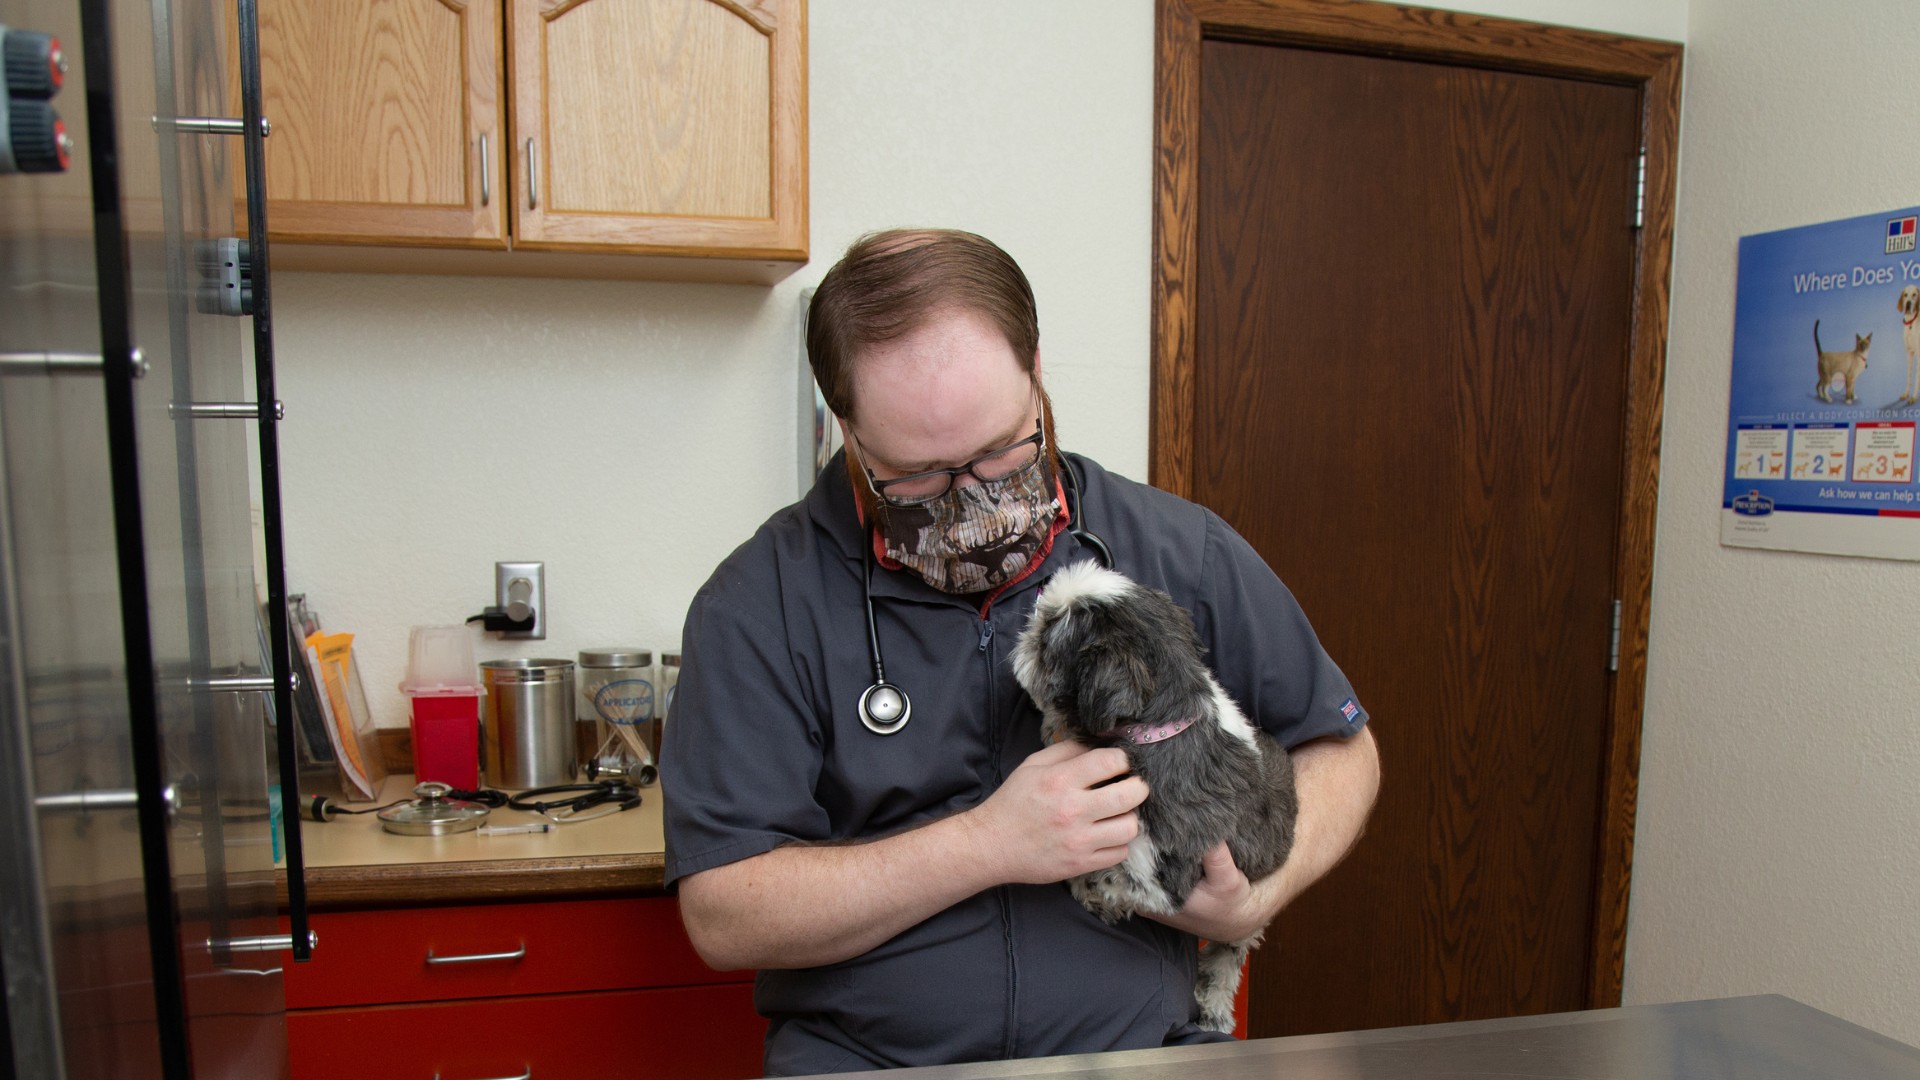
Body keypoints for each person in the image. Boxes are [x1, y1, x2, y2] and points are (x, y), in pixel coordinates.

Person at [661, 228, 1380, 1075]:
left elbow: (1343, 747)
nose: (976, 502)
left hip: (1143, 1056)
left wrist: (1258, 891)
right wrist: (988, 844)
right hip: (871, 1063)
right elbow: (726, 911)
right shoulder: (760, 604)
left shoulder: (1182, 550)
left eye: (1002, 451)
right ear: (845, 427)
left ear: (1036, 370)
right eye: (920, 478)